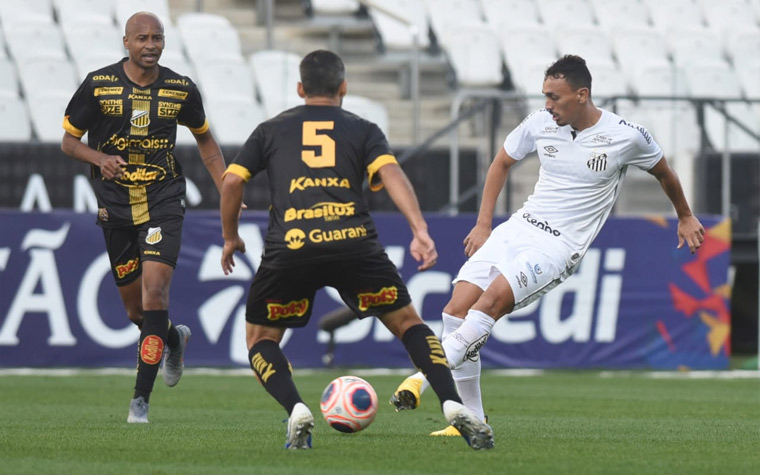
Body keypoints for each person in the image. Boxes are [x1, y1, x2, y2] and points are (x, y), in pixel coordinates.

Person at [390, 55, 706, 436]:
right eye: (544, 96)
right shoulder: (540, 123)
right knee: (455, 312)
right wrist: (484, 224)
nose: (547, 105)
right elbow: (501, 163)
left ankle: (420, 380)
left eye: (555, 97)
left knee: (487, 306)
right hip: (518, 228)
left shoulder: (627, 135)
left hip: (557, 247)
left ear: (582, 94)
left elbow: (664, 173)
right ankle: (471, 420)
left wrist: (685, 215)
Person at [219, 50, 493, 450]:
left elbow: (230, 182)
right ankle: (452, 403)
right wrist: (419, 230)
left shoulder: (270, 129)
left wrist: (231, 236)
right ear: (343, 87)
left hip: (291, 246)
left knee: (261, 339)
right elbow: (391, 172)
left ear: (300, 89)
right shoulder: (362, 129)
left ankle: (296, 408)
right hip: (354, 244)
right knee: (409, 325)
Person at [61, 12, 227, 423]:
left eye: (157, 38)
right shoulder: (99, 85)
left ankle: (140, 402)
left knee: (156, 293)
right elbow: (68, 140)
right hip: (116, 206)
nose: (150, 45)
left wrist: (228, 186)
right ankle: (173, 338)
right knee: (137, 313)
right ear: (126, 42)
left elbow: (205, 140)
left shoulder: (180, 88)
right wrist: (100, 158)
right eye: (142, 38)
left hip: (164, 201)